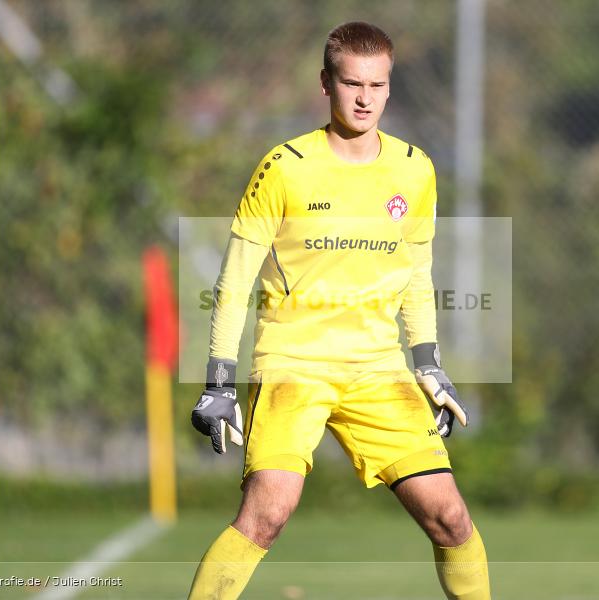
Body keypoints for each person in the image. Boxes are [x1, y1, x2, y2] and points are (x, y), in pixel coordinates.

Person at [187, 21, 490, 600]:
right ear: (325, 84)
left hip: (377, 368)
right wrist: (219, 379)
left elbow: (416, 272)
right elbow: (234, 281)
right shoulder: (284, 167)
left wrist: (427, 363)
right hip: (291, 366)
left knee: (451, 521)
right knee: (266, 514)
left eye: (377, 85)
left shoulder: (415, 169)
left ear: (390, 87)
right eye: (351, 82)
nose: (364, 98)